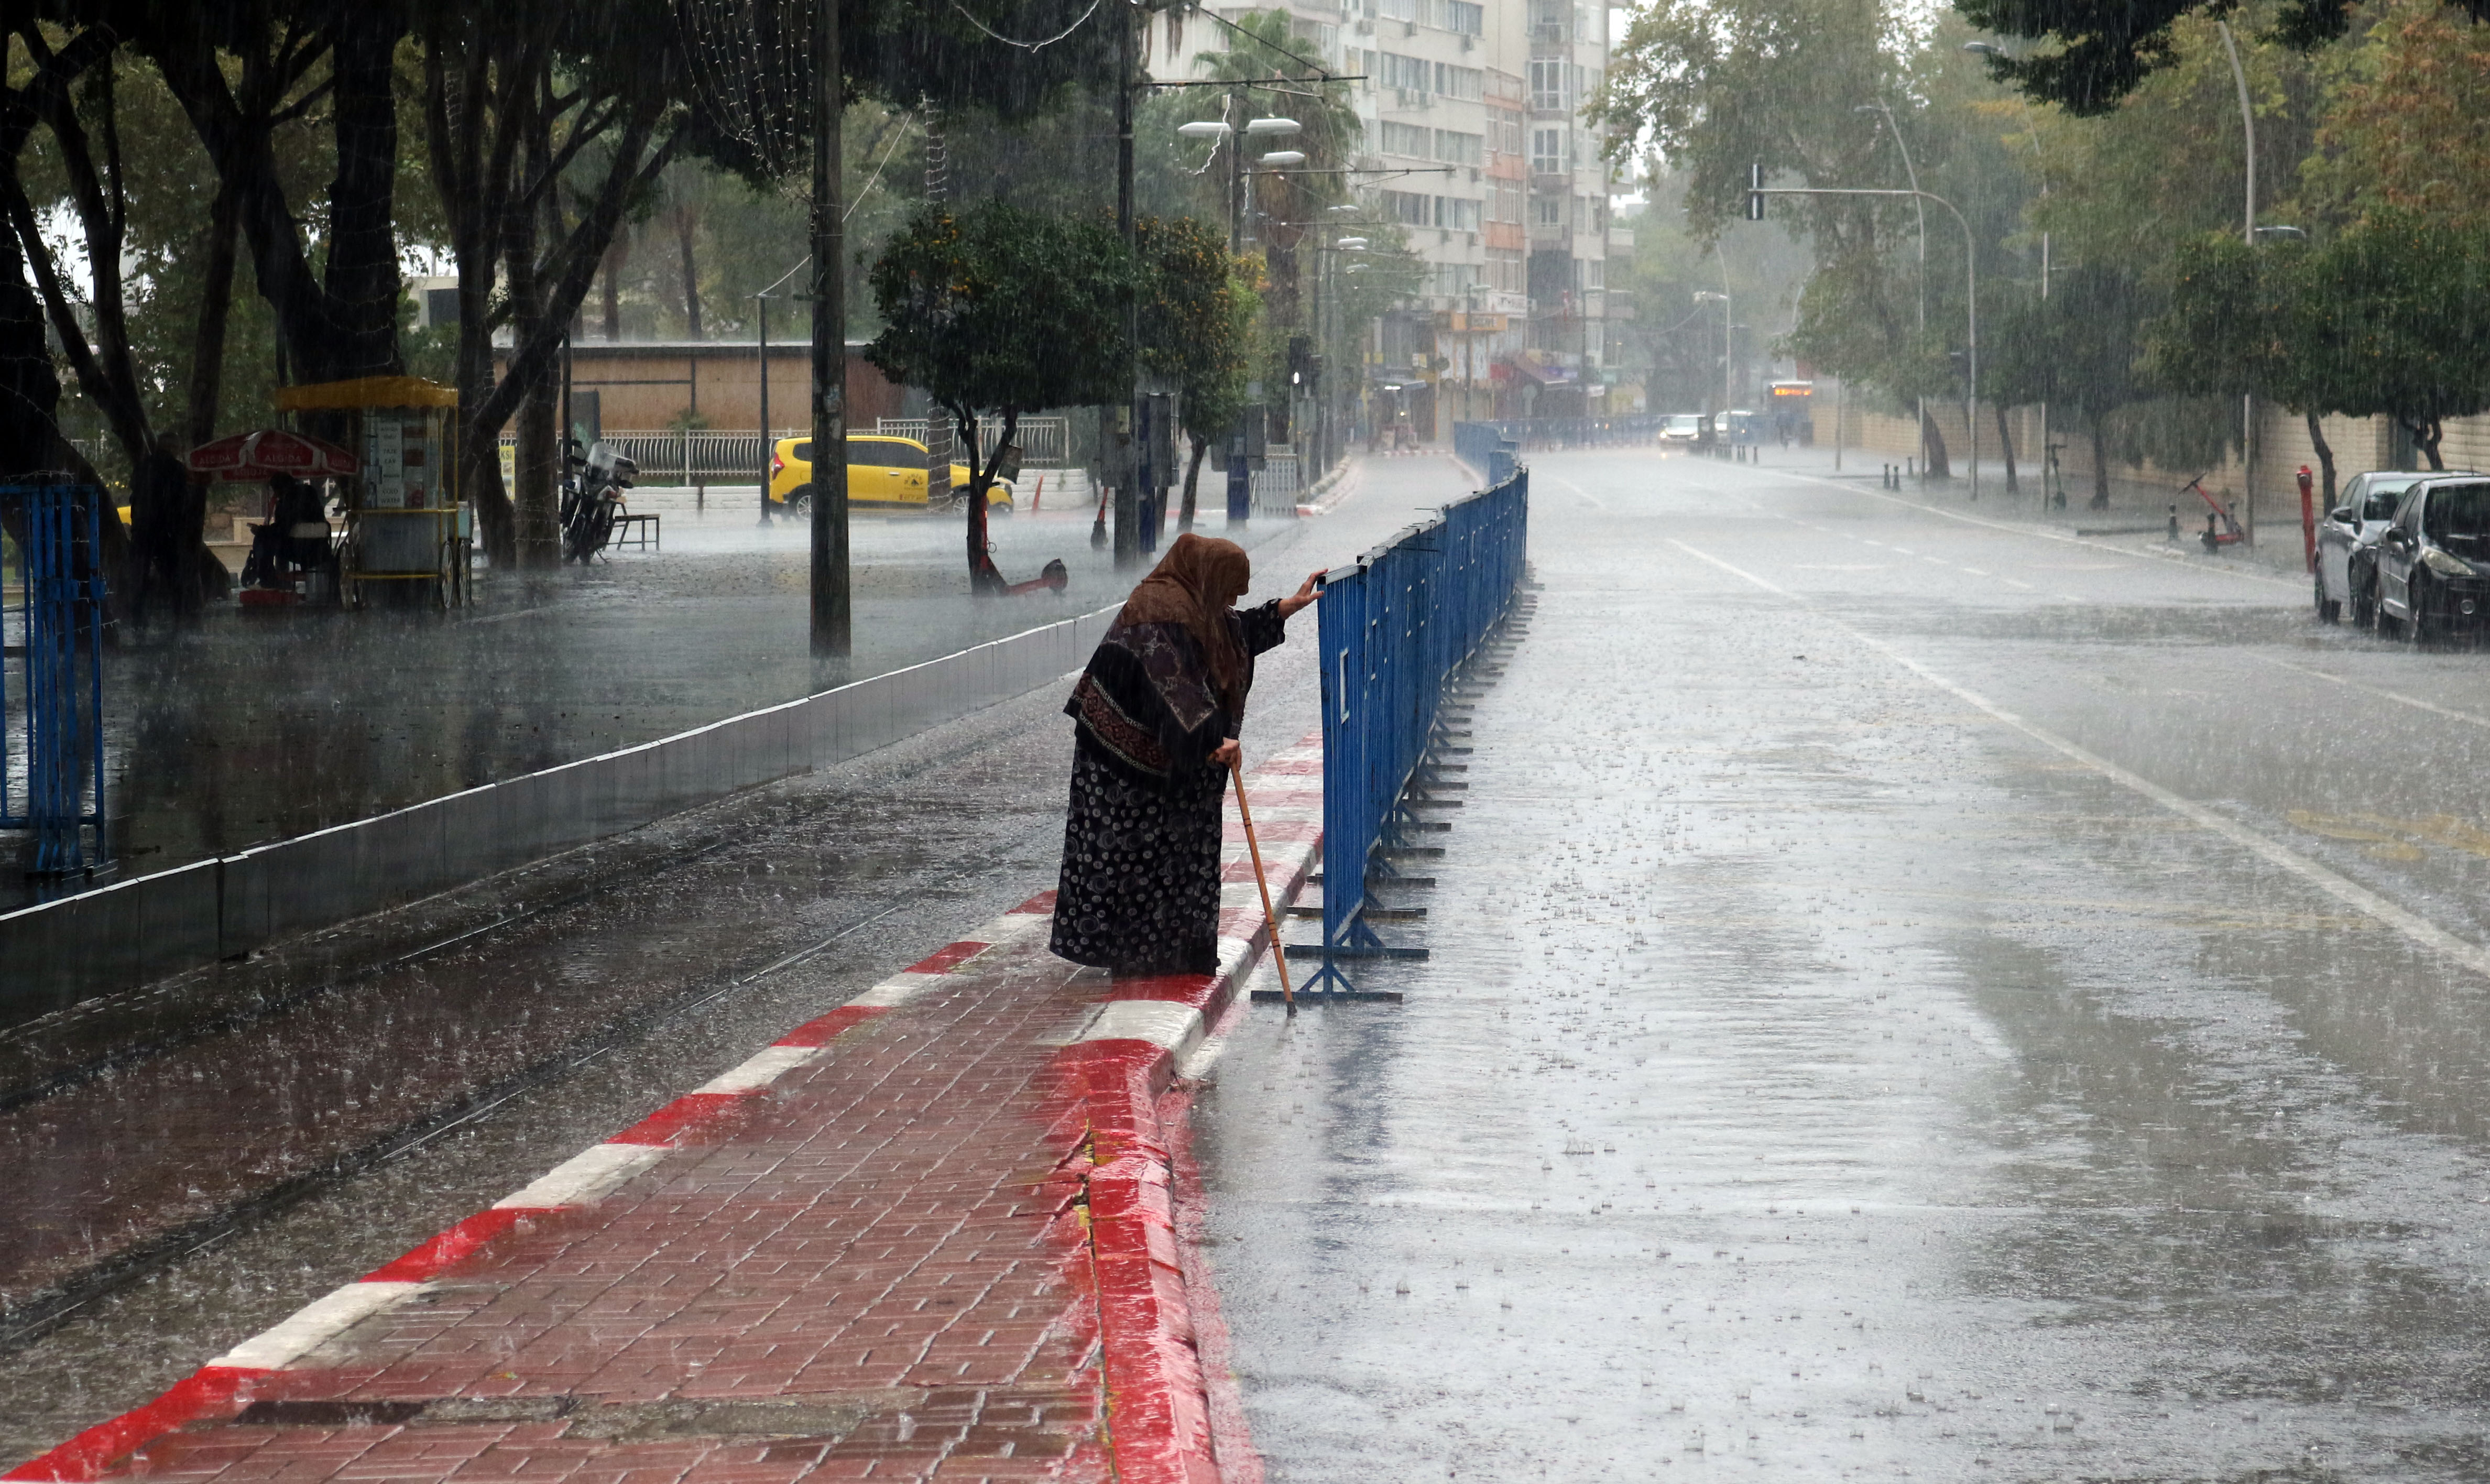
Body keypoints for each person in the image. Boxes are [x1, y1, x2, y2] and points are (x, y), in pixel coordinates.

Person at [1052, 533, 1321, 978]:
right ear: (1208, 578)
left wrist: (1283, 609)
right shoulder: (1159, 611)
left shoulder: (1194, 604)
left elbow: (1227, 629)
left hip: (1160, 751)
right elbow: (1175, 688)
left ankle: (1175, 953)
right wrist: (1213, 740)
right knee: (1136, 855)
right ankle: (1144, 958)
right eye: (1230, 590)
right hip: (1122, 762)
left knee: (1176, 845)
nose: (1233, 600)